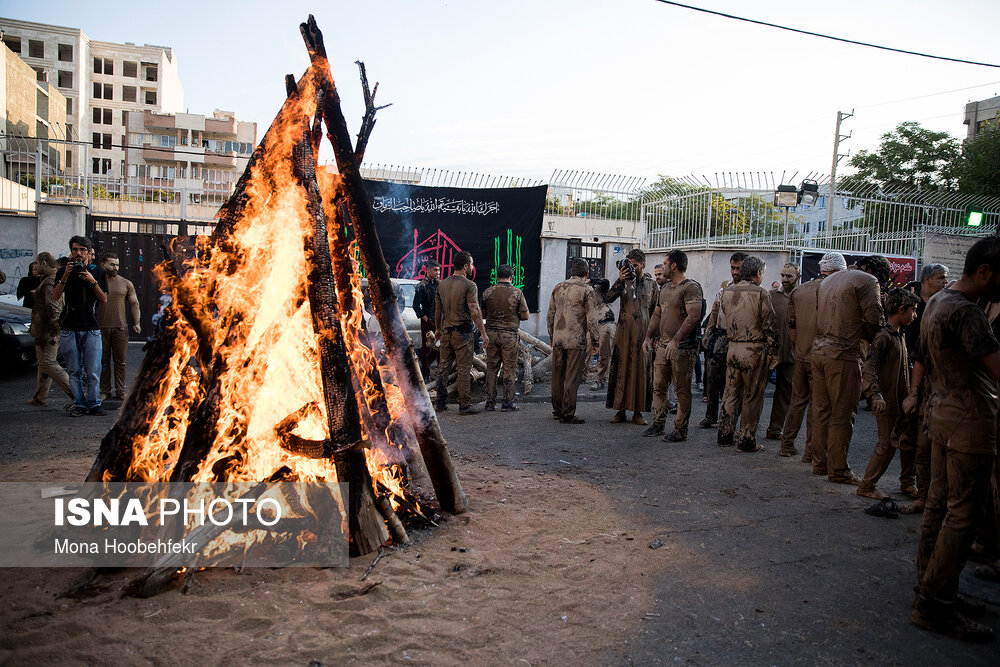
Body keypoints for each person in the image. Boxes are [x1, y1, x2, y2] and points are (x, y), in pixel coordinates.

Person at [908, 237, 1000, 643]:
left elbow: (925, 361)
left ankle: (929, 586)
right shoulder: (968, 313)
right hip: (969, 421)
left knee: (938, 505)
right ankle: (935, 602)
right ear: (984, 272)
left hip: (940, 414)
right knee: (963, 514)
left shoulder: (938, 303)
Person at [811, 255, 887, 484]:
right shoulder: (868, 281)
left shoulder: (827, 281)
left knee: (822, 411)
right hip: (844, 354)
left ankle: (820, 462)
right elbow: (875, 318)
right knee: (843, 414)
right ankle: (838, 469)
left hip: (819, 351)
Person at [856, 288, 921, 500]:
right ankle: (867, 485)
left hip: (901, 402)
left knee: (906, 441)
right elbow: (869, 366)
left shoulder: (899, 335)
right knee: (886, 445)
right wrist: (875, 394)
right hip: (887, 402)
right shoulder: (884, 336)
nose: (915, 315)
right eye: (913, 310)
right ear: (901, 310)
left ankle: (907, 483)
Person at [780, 253, 845, 459]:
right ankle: (811, 451)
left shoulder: (800, 291)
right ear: (838, 270)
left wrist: (798, 347)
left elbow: (792, 326)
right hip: (824, 355)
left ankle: (787, 444)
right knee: (819, 406)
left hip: (801, 353)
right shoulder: (836, 290)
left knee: (797, 400)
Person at [717, 256, 776, 452]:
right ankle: (747, 439)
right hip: (753, 349)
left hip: (733, 347)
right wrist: (774, 353)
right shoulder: (761, 293)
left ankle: (724, 434)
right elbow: (769, 325)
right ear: (758, 273)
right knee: (752, 396)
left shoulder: (727, 291)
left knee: (730, 393)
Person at [643, 249, 703, 442]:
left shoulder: (691, 287)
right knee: (658, 386)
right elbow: (657, 314)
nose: (663, 266)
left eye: (665, 263)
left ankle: (680, 429)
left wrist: (676, 340)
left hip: (683, 348)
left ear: (674, 265)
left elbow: (694, 316)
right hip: (663, 346)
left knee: (681, 389)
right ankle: (658, 423)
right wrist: (648, 337)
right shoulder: (665, 289)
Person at [52, 236, 109, 416]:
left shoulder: (97, 272)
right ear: (71, 251)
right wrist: (66, 275)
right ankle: (79, 404)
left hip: (91, 328)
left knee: (93, 370)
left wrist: (91, 280)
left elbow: (103, 299)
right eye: (75, 250)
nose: (78, 253)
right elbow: (54, 296)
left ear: (89, 253)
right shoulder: (63, 271)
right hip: (69, 328)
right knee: (74, 371)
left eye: (82, 250)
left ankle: (94, 404)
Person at [606, 249, 658, 425]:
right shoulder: (623, 282)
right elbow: (608, 298)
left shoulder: (652, 284)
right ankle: (620, 411)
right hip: (623, 334)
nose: (632, 269)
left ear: (643, 265)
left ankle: (638, 412)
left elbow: (656, 311)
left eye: (635, 265)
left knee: (641, 372)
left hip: (643, 335)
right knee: (621, 370)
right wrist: (620, 281)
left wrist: (654, 336)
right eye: (630, 265)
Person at [434, 251, 488, 415]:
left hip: (446, 331)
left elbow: (437, 310)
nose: (472, 267)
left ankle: (440, 403)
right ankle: (464, 404)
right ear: (465, 266)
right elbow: (474, 309)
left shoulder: (441, 284)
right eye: (471, 264)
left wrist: (437, 329)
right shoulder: (469, 285)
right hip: (463, 332)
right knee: (464, 369)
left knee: (443, 366)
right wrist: (483, 333)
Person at [548, 257, 599, 424]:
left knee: (557, 376)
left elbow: (550, 315)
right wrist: (595, 340)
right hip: (575, 340)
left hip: (558, 339)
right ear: (586, 273)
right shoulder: (587, 290)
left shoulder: (558, 287)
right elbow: (592, 319)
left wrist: (551, 335)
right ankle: (568, 413)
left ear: (571, 271)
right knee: (572, 377)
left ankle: (556, 410)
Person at [701, 252, 747, 428]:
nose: (735, 272)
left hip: (738, 338)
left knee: (734, 381)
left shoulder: (749, 290)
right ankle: (711, 415)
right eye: (733, 268)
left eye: (738, 268)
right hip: (720, 336)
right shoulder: (724, 289)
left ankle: (729, 418)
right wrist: (708, 333)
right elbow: (714, 312)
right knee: (713, 377)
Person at [481, 264, 529, 412]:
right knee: (509, 369)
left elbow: (483, 315)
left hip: (491, 334)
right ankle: (508, 402)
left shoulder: (487, 292)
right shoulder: (517, 293)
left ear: (496, 276)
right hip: (509, 335)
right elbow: (525, 315)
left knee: (491, 368)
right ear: (512, 277)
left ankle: (490, 402)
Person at [27, 252, 72, 406]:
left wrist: (54, 332)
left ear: (44, 263)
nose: (36, 266)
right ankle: (40, 397)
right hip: (43, 330)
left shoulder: (50, 281)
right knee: (43, 364)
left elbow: (55, 308)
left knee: (48, 364)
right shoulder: (50, 279)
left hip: (48, 332)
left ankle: (78, 396)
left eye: (37, 263)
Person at [97, 252, 141, 402]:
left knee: (120, 362)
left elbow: (134, 303)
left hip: (120, 328)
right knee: (103, 362)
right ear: (103, 264)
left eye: (117, 264)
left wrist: (137, 323)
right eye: (112, 264)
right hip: (100, 327)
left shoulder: (126, 283)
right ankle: (104, 390)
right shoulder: (96, 282)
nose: (115, 267)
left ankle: (121, 391)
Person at [765, 263, 799, 441]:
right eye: (783, 275)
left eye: (789, 276)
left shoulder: (801, 297)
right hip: (770, 353)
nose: (785, 279)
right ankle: (747, 430)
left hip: (792, 354)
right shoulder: (770, 296)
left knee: (785, 394)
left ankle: (775, 429)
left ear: (797, 277)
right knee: (756, 392)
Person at [413, 260, 441, 379]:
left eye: (439, 270)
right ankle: (426, 374)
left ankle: (428, 368)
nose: (437, 272)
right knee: (426, 348)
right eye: (435, 270)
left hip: (439, 320)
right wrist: (426, 319)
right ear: (428, 270)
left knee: (438, 346)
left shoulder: (440, 284)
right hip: (427, 321)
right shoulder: (421, 286)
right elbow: (416, 306)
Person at [587, 278, 616, 391]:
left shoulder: (598, 288)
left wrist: (591, 280)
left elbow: (606, 282)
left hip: (606, 322)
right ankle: (582, 377)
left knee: (604, 354)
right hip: (592, 324)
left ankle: (600, 380)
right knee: (585, 350)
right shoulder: (582, 290)